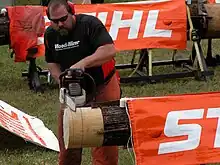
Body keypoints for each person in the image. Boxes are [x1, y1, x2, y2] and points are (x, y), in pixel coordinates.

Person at [44, 0, 121, 164]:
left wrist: (83, 64)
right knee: (68, 138)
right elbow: (51, 62)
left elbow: (109, 50)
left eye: (63, 19)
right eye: (55, 21)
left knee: (104, 139)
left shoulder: (89, 25)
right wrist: (61, 79)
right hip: (73, 90)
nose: (60, 24)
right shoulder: (50, 34)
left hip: (102, 85)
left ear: (71, 12)